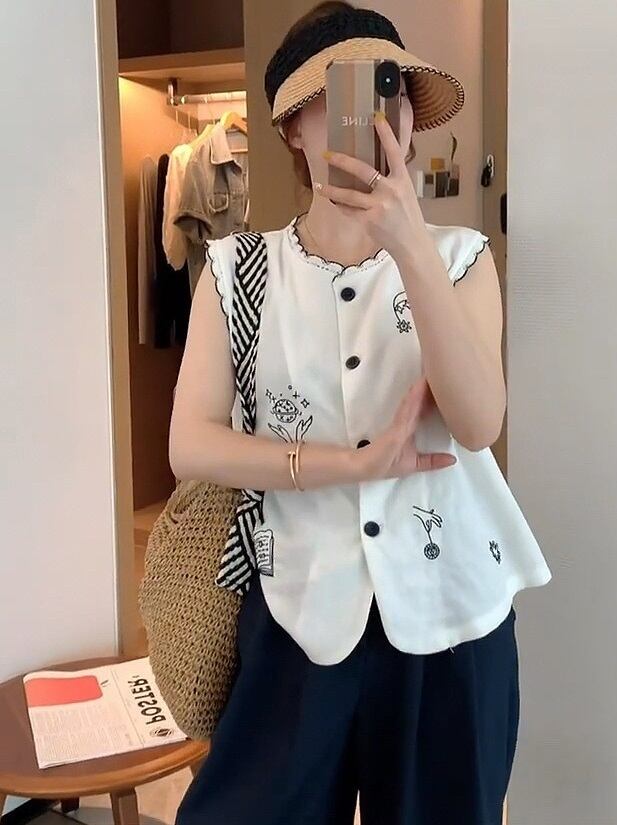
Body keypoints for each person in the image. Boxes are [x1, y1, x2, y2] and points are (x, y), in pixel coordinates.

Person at [170, 3, 552, 823]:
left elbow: (478, 421)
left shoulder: (460, 257)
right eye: (346, 92)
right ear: (293, 128)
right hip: (297, 607)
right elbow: (189, 444)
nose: (381, 112)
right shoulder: (237, 270)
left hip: (452, 617)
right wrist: (346, 465)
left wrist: (409, 243)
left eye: (394, 89)